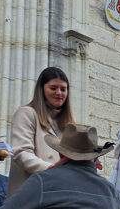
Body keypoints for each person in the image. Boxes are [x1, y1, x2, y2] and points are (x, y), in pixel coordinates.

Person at [7, 67, 74, 195]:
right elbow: (21, 153)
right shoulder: (26, 113)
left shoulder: (67, 124)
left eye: (63, 89)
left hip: (58, 193)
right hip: (32, 193)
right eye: (53, 88)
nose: (59, 93)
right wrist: (54, 171)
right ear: (42, 89)